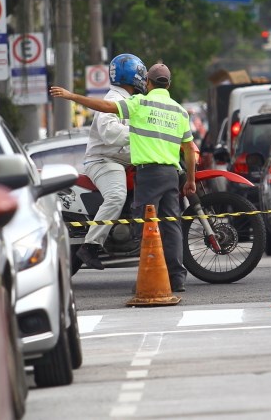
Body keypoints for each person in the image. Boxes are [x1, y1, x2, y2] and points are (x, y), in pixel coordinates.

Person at [50, 63, 196, 292]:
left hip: (140, 167)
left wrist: (72, 96)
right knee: (156, 218)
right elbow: (108, 127)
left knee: (151, 225)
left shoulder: (140, 102)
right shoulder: (171, 108)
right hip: (108, 161)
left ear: (148, 81)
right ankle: (91, 246)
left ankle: (165, 277)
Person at [75, 53, 148, 271]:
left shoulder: (130, 101)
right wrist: (141, 133)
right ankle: (90, 246)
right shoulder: (113, 100)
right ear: (133, 76)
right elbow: (109, 133)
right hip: (104, 161)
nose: (144, 79)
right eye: (141, 74)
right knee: (116, 196)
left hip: (121, 161)